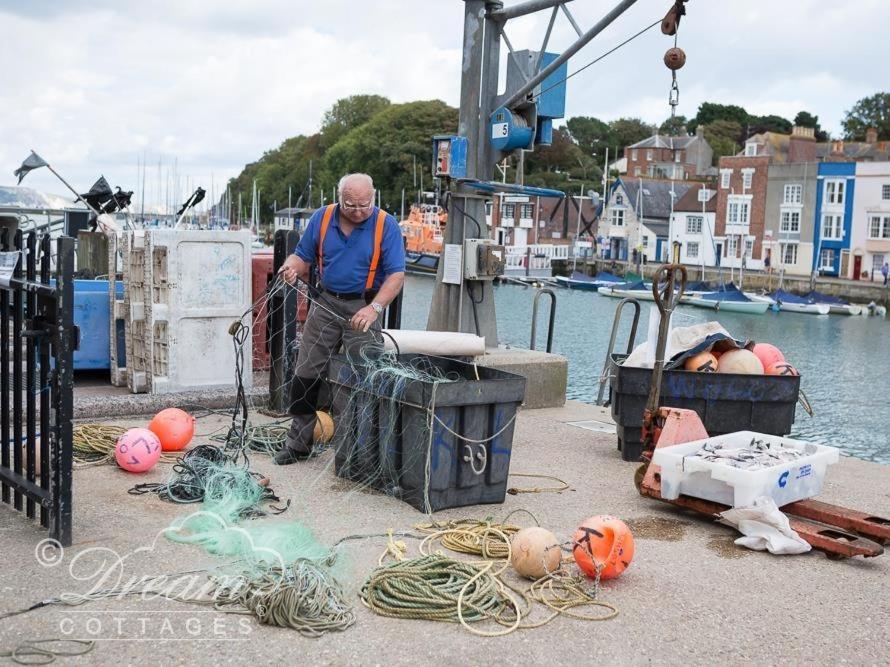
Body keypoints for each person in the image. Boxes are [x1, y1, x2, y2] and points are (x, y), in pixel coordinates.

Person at [276, 173, 406, 465]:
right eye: (350, 205)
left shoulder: (387, 225)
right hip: (326, 303)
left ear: (373, 197)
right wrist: (290, 268)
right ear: (339, 199)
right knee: (305, 372)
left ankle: (355, 452)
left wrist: (374, 308)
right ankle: (298, 444)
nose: (358, 211)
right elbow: (301, 256)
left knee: (359, 379)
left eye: (365, 204)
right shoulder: (322, 219)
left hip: (364, 306)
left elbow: (396, 274)